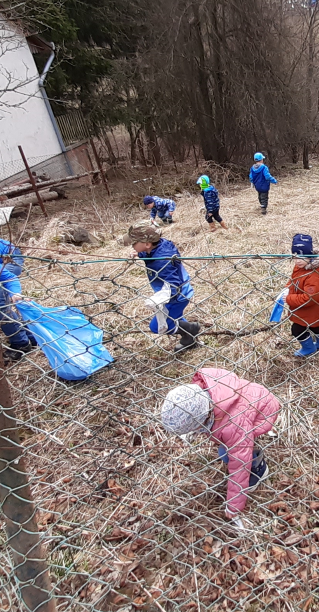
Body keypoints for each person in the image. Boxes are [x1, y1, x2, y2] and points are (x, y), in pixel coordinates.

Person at [160, 368, 281, 532]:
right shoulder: (205, 393)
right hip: (252, 399)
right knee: (229, 449)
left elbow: (240, 465)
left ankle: (259, 469)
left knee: (234, 453)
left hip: (263, 411)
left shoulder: (233, 425)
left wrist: (233, 506)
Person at [120, 223, 200, 353]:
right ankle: (189, 338)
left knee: (157, 326)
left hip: (176, 297)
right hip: (180, 292)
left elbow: (173, 283)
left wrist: (162, 299)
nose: (132, 245)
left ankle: (190, 330)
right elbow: (152, 254)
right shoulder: (160, 245)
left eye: (134, 243)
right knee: (174, 318)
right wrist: (139, 254)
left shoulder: (162, 261)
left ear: (147, 244)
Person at [278, 233, 319, 357]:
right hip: (303, 309)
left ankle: (309, 348)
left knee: (297, 330)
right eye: (295, 256)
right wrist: (287, 288)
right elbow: (293, 279)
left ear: (310, 255)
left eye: (302, 256)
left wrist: (289, 298)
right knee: (315, 327)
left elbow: (309, 298)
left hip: (310, 310)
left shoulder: (314, 275)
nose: (298, 260)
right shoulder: (300, 267)